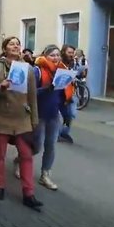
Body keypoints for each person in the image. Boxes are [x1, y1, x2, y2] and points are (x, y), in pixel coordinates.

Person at [0, 36, 43, 211]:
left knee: (26, 155)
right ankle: (0, 185)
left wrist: (34, 119)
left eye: (18, 44)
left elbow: (33, 96)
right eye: (12, 44)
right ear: (4, 48)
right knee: (0, 153)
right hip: (0, 117)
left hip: (22, 119)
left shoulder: (28, 69)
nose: (16, 46)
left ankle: (28, 194)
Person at [33, 45, 67, 191]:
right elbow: (30, 92)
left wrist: (65, 113)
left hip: (54, 114)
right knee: (36, 146)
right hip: (39, 113)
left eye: (58, 55)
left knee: (50, 145)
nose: (56, 58)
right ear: (45, 56)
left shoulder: (62, 72)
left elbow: (63, 95)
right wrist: (46, 89)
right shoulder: (37, 71)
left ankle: (45, 175)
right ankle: (20, 160)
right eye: (52, 55)